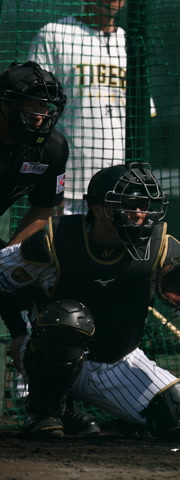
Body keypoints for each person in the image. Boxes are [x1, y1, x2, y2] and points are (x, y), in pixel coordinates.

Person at [0, 162, 180, 440]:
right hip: (47, 356)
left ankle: (121, 419)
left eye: (145, 205)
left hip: (119, 361)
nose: (140, 214)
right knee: (71, 316)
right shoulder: (58, 240)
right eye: (130, 204)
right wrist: (19, 333)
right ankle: (44, 412)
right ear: (97, 208)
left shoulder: (163, 249)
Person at [27, 0, 147, 215]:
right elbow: (35, 112)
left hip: (121, 188)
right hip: (67, 187)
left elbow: (142, 119)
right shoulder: (54, 35)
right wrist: (47, 180)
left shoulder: (132, 44)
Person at [0, 61, 69, 414]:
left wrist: (9, 258)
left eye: (46, 107)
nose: (41, 116)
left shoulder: (51, 148)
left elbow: (42, 210)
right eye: (32, 106)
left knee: (50, 279)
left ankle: (52, 402)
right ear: (5, 105)